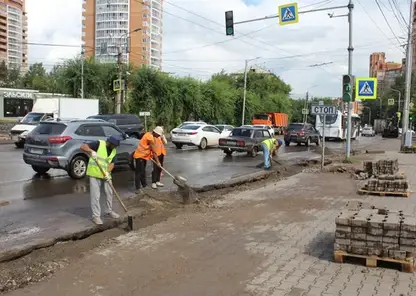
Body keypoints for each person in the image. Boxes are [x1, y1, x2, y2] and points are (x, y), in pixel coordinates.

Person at [80, 136, 121, 225]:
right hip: (94, 173)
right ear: (110, 143)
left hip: (105, 174)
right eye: (114, 145)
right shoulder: (98, 144)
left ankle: (109, 211)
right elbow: (83, 147)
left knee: (110, 192)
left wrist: (107, 172)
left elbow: (112, 163)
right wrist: (91, 151)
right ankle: (96, 216)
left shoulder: (113, 151)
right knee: (96, 195)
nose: (115, 147)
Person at [133, 126, 162, 192]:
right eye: (158, 135)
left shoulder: (149, 134)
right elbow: (154, 152)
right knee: (139, 172)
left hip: (144, 156)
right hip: (139, 156)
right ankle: (138, 189)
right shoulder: (150, 138)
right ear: (155, 132)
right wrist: (158, 162)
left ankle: (144, 186)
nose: (158, 136)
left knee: (143, 171)